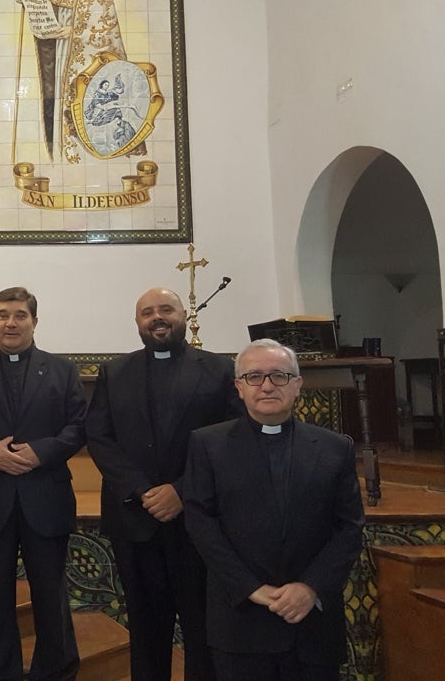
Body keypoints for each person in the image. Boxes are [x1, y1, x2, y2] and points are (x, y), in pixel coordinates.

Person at [84, 287, 243, 681]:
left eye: (166, 309)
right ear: (137, 322)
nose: (157, 317)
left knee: (201, 629)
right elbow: (100, 437)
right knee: (144, 630)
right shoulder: (114, 372)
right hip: (134, 521)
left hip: (199, 523)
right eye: (147, 312)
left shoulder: (221, 370)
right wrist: (142, 490)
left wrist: (182, 490)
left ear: (183, 315)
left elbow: (235, 439)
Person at [184, 339, 365, 681]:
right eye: (254, 376)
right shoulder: (207, 445)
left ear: (297, 384)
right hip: (241, 621)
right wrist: (250, 588)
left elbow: (349, 528)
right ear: (239, 387)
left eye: (279, 376)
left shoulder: (334, 448)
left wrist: (310, 587)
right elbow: (201, 523)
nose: (267, 386)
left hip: (312, 623)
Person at [0, 287, 86, 681]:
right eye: (3, 315)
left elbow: (79, 427)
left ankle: (56, 670)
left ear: (34, 322)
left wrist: (40, 452)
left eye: (20, 315)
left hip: (46, 495)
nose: (11, 323)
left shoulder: (62, 370)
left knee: (50, 594)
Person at [17, 0, 128, 164]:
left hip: (84, 63)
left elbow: (104, 31)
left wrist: (73, 32)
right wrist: (30, 1)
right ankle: (61, 155)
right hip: (63, 56)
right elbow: (58, 1)